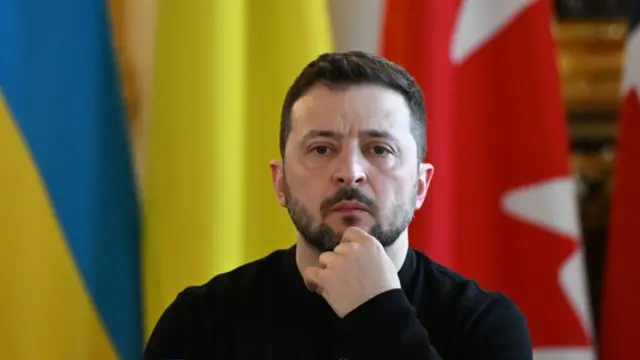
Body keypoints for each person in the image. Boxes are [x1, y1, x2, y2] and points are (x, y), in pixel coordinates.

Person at [143, 51, 533, 359]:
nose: (350, 172)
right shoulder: (201, 324)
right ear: (280, 182)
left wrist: (379, 312)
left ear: (420, 185)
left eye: (379, 149)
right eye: (321, 149)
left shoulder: (484, 325)